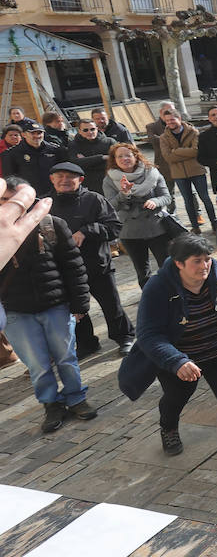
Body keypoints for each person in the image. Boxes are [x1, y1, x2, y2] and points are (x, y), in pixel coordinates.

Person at [123, 234, 217, 472]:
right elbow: (148, 335)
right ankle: (169, 427)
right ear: (179, 263)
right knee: (176, 398)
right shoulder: (158, 287)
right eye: (197, 261)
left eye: (207, 259)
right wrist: (177, 361)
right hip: (181, 359)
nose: (204, 266)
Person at [1, 177, 94, 432]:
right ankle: (51, 404)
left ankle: (76, 397)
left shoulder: (51, 224)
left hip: (55, 304)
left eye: (14, 201)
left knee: (66, 356)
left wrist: (80, 304)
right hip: (16, 310)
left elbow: (73, 266)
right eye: (4, 202)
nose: (10, 208)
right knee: (38, 364)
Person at [49, 161, 133, 356]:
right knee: (77, 310)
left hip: (97, 265)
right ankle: (87, 344)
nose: (65, 181)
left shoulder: (94, 199)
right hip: (66, 269)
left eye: (70, 177)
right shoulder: (46, 204)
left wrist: (87, 231)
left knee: (111, 305)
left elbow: (114, 227)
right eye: (59, 177)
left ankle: (124, 337)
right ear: (52, 180)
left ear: (80, 180)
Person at [104, 142, 174, 287]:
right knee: (143, 271)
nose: (125, 159)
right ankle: (150, 299)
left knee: (167, 266)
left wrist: (155, 201)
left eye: (128, 155)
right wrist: (124, 194)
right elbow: (111, 206)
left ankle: (174, 294)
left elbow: (167, 197)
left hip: (156, 227)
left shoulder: (152, 172)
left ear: (135, 156)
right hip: (130, 231)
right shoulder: (110, 179)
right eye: (120, 156)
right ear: (114, 160)